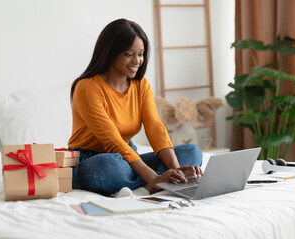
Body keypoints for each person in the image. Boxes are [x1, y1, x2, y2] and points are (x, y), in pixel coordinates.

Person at [68, 18, 203, 197]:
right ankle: (155, 184)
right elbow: (112, 141)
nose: (137, 61)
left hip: (128, 156)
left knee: (191, 151)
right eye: (129, 54)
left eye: (141, 54)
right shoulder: (87, 87)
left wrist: (176, 170)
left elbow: (155, 127)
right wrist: (155, 177)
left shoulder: (141, 85)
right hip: (93, 160)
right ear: (110, 52)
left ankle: (145, 190)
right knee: (110, 165)